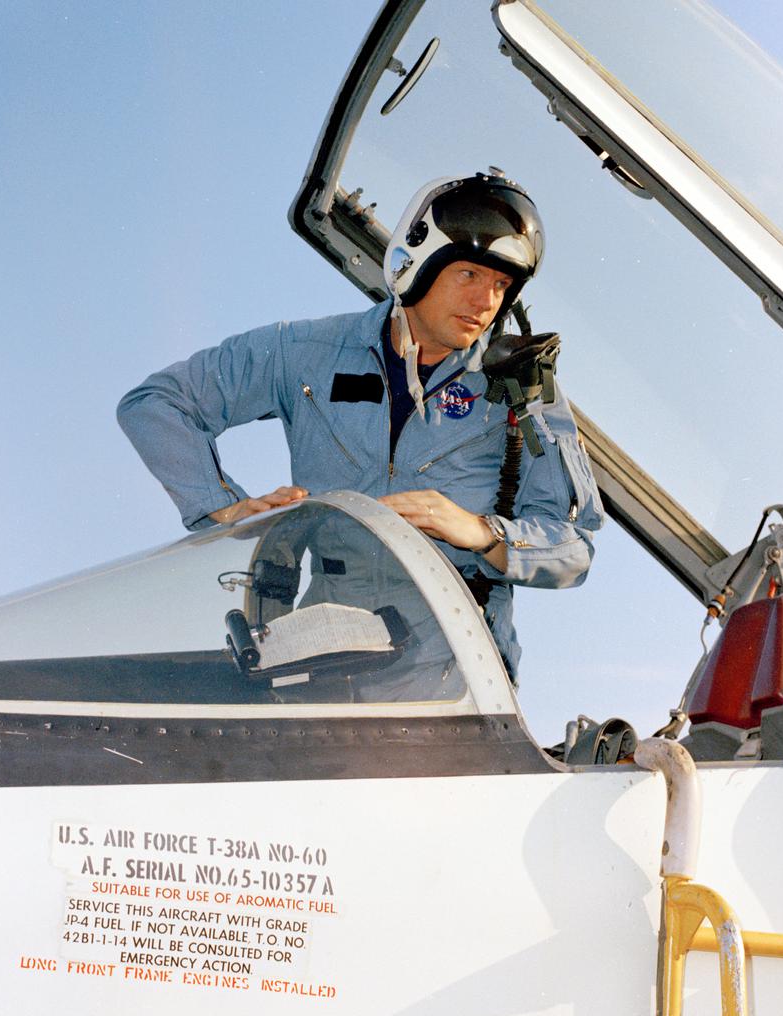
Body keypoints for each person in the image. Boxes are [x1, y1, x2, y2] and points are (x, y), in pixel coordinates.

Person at [117, 170, 603, 679]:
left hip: (450, 672)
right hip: (323, 658)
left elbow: (574, 547)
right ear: (418, 262)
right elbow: (155, 403)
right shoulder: (304, 353)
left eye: (502, 284)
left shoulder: (523, 394)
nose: (486, 302)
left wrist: (481, 533)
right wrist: (222, 508)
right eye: (469, 275)